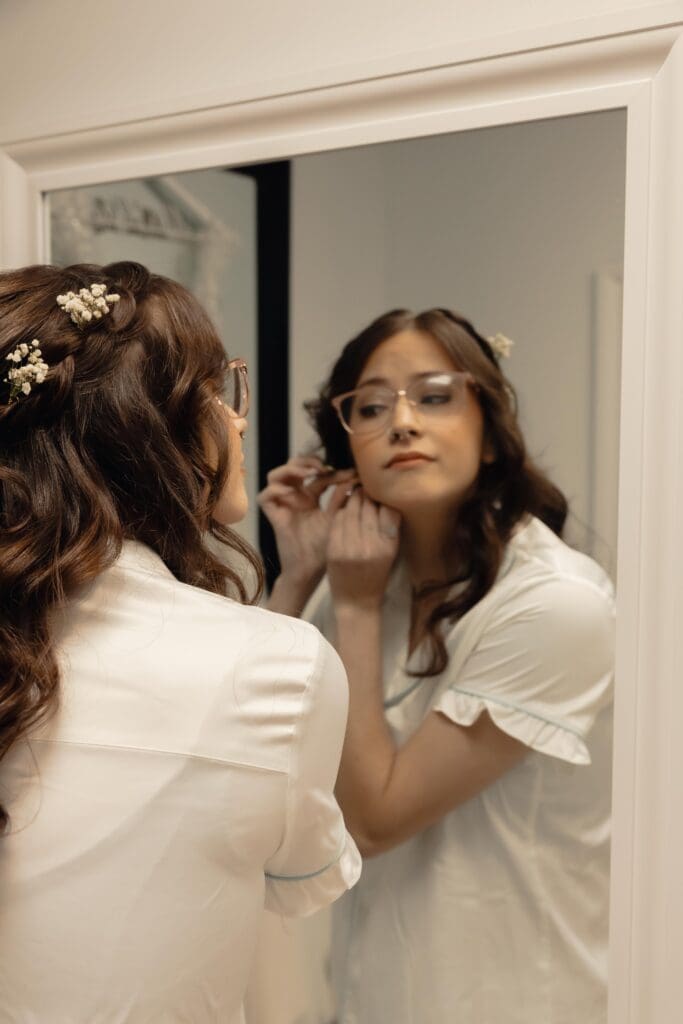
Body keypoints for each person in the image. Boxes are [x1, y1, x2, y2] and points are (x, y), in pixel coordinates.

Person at [0, 262, 360, 1024]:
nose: (236, 420)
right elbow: (300, 880)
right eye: (220, 390)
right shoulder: (281, 671)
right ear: (151, 430)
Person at [260, 308, 615, 1024]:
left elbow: (375, 819)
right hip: (370, 991)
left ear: (490, 436)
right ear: (347, 449)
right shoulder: (354, 581)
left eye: (433, 395)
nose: (401, 422)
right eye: (369, 405)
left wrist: (352, 609)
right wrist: (298, 574)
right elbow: (246, 751)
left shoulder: (555, 602)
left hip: (516, 999)